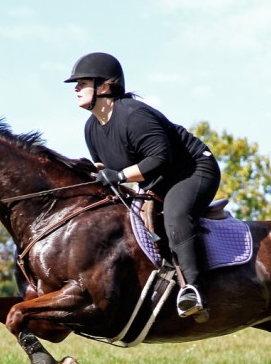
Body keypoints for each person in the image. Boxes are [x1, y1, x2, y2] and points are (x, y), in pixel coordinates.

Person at [64, 52, 221, 320]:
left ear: (105, 86)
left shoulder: (133, 115)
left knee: (175, 214)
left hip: (193, 170)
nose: (76, 88)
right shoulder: (91, 128)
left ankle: (193, 290)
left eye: (82, 83)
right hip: (156, 180)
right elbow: (104, 168)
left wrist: (120, 175)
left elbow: (160, 158)